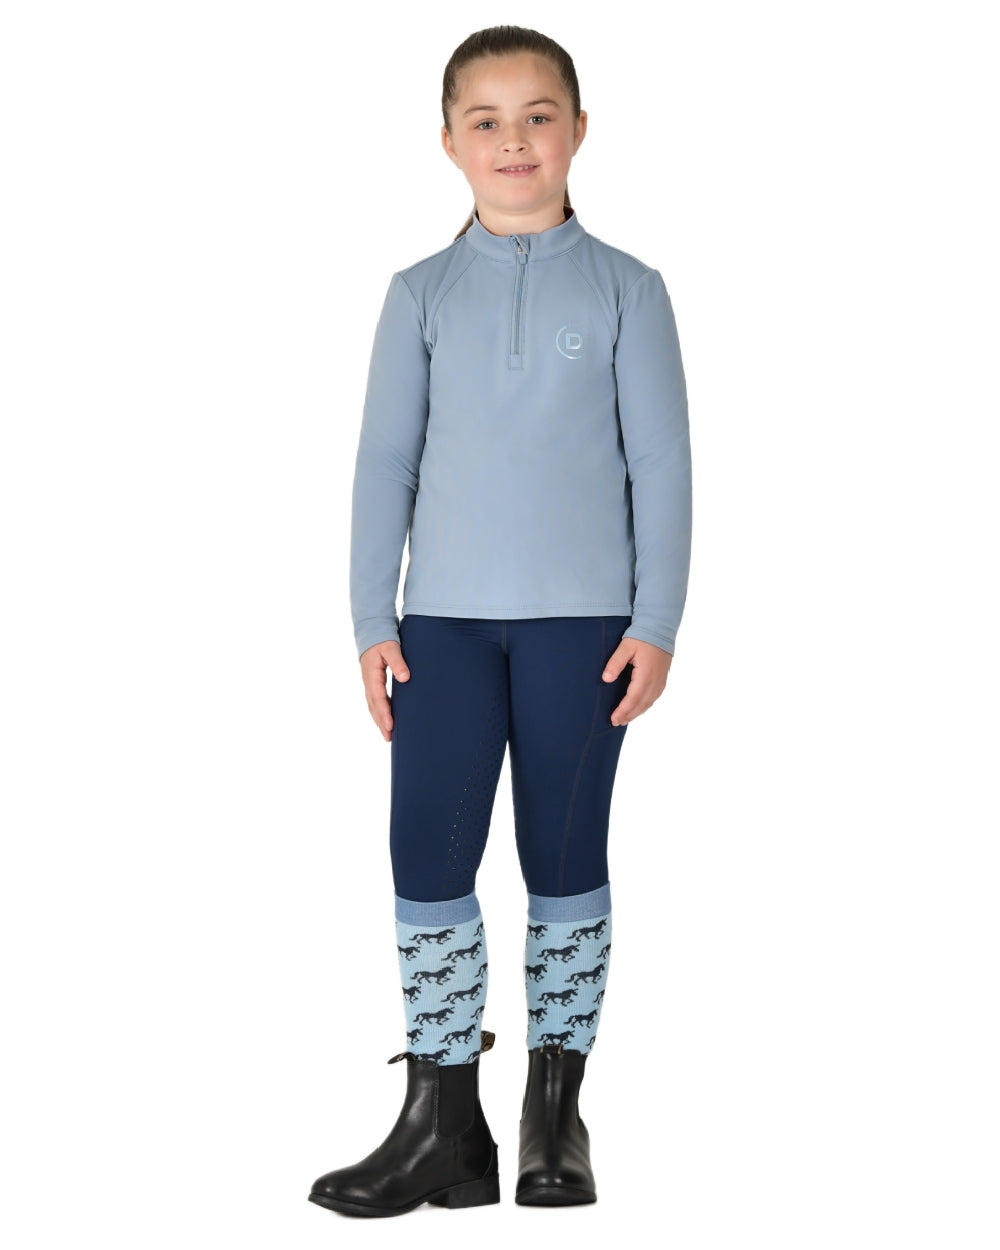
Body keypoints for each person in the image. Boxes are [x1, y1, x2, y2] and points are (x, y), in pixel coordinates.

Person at [308, 24, 692, 1217]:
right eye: (486, 120)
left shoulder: (628, 288)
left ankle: (552, 1116)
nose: (513, 140)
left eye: (537, 117)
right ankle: (443, 1123)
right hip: (442, 629)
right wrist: (371, 614)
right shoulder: (418, 294)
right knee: (426, 856)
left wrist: (659, 619)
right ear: (448, 143)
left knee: (562, 857)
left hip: (587, 628)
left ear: (577, 131)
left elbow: (662, 465)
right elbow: (384, 459)